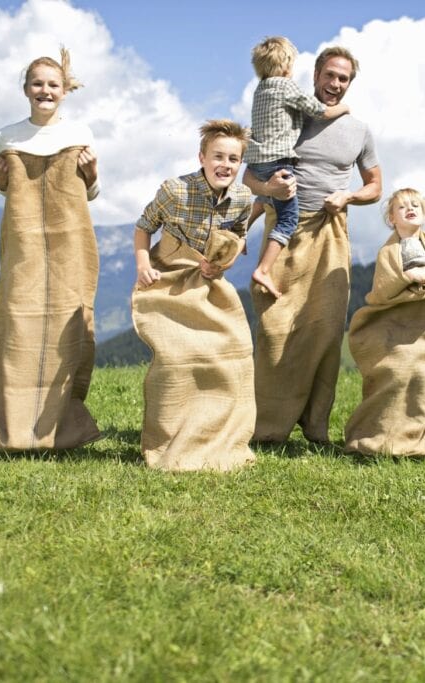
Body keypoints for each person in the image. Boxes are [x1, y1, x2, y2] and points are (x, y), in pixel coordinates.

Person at [244, 46, 382, 444]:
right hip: (283, 232)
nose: (335, 85)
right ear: (316, 74)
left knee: (324, 331)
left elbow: (376, 186)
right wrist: (267, 189)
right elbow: (250, 176)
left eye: (343, 79)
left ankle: (316, 426)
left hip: (331, 232)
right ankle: (267, 426)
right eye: (330, 76)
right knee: (276, 328)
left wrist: (349, 197)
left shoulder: (359, 130)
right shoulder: (285, 114)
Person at [0, 47, 102, 451]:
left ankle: (62, 424)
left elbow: (92, 193)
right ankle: (11, 423)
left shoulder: (80, 133)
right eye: (37, 84)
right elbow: (10, 192)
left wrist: (91, 172)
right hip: (24, 240)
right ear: (26, 89)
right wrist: (0, 179)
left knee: (70, 321)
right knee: (18, 321)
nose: (45, 90)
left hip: (70, 239)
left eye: (53, 84)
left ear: (65, 90)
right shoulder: (8, 135)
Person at [131, 120, 256, 472]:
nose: (225, 165)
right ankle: (167, 442)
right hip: (168, 278)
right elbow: (143, 228)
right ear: (202, 157)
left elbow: (239, 237)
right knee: (174, 361)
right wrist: (143, 266)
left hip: (209, 282)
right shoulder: (175, 191)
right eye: (218, 156)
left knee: (236, 354)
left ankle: (222, 441)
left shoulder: (244, 198)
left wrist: (223, 264)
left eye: (233, 159)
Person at [344, 188, 425, 456]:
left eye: (416, 205)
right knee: (397, 369)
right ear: (392, 219)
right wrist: (408, 278)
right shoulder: (389, 252)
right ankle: (378, 434)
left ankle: (423, 440)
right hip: (394, 327)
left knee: (423, 372)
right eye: (402, 206)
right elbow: (383, 290)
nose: (410, 209)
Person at [246, 36, 350, 299]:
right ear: (286, 66)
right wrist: (345, 108)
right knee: (287, 218)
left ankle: (239, 230)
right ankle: (264, 269)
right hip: (279, 159)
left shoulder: (261, 89)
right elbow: (320, 111)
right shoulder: (285, 86)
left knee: (264, 196)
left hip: (258, 159)